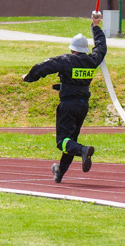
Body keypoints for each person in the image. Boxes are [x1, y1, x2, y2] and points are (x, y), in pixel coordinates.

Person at [22, 11, 107, 183]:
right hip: (83, 106)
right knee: (70, 140)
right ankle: (60, 171)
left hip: (68, 105)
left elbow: (44, 67)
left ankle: (83, 150)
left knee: (62, 141)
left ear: (72, 49)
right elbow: (101, 47)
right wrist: (96, 27)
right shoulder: (92, 60)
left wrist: (29, 77)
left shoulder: (66, 60)